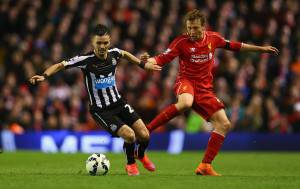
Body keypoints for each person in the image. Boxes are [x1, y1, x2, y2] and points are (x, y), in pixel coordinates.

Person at [143, 9, 279, 176]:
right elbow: (161, 58)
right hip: (186, 82)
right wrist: (146, 61)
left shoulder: (213, 38)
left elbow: (235, 46)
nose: (191, 32)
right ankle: (147, 129)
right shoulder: (181, 42)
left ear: (203, 27)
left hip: (204, 89)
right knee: (186, 102)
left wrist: (262, 49)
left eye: (195, 28)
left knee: (224, 124)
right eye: (189, 28)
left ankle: (205, 165)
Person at [29, 24, 162, 176]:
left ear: (109, 42)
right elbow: (60, 65)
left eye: (105, 43)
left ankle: (141, 154)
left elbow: (124, 53)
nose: (102, 46)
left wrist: (142, 65)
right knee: (130, 135)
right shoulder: (85, 60)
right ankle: (131, 164)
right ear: (92, 43)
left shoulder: (114, 53)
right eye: (98, 43)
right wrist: (44, 76)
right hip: (101, 110)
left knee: (145, 135)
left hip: (118, 103)